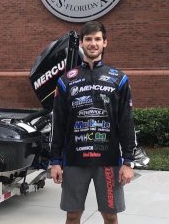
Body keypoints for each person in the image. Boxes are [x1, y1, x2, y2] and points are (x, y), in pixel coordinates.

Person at [50, 21, 135, 224]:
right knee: (72, 215)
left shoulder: (119, 79)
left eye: (97, 39)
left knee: (110, 216)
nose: (93, 43)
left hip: (108, 160)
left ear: (105, 43)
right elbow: (58, 123)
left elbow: (126, 122)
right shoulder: (66, 80)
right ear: (82, 43)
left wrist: (129, 161)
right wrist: (55, 161)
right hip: (74, 160)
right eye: (88, 39)